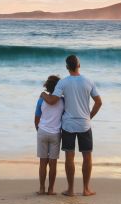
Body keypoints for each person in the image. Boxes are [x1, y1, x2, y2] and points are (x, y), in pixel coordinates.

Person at [41, 55, 102, 196]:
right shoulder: (88, 81)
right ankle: (86, 189)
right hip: (84, 124)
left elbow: (53, 100)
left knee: (70, 156)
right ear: (79, 65)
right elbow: (99, 102)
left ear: (67, 67)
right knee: (87, 156)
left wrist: (43, 95)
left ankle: (70, 189)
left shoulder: (63, 83)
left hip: (68, 124)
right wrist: (89, 116)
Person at [34, 75, 64, 195]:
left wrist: (39, 130)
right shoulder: (62, 101)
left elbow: (36, 118)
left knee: (42, 162)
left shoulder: (41, 99)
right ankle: (50, 189)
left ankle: (42, 188)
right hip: (56, 133)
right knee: (53, 163)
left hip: (42, 131)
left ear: (47, 86)